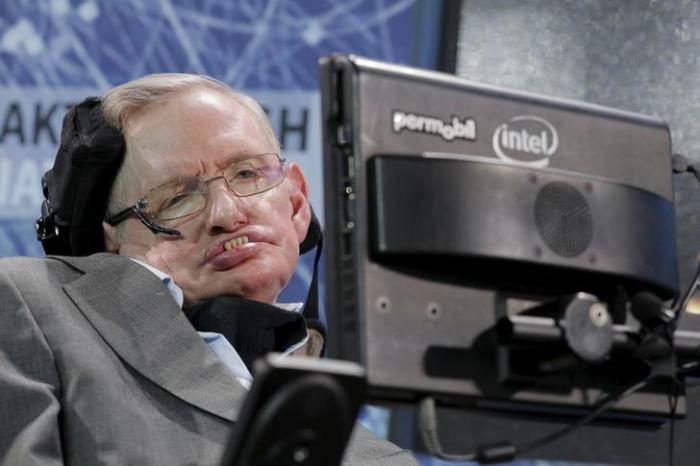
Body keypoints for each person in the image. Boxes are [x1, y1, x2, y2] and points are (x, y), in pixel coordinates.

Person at [0, 74, 417, 465]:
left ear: (297, 204)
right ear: (114, 239)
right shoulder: (29, 304)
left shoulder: (380, 459)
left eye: (248, 173)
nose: (227, 213)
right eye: (176, 198)